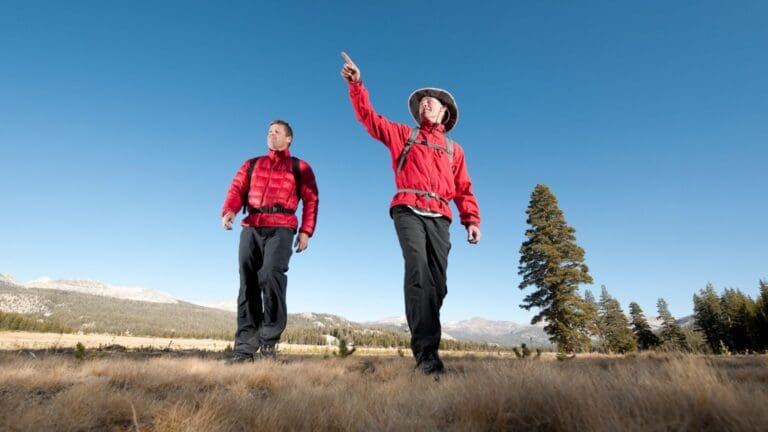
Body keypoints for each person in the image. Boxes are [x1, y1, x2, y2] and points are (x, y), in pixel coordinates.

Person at [340, 52, 481, 374]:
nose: (425, 104)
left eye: (431, 101)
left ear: (445, 111)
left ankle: (425, 336)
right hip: (407, 208)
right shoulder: (404, 135)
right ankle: (427, 355)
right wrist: (357, 85)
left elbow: (464, 188)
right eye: (422, 102)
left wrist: (471, 220)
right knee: (417, 272)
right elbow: (370, 119)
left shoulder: (454, 150)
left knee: (437, 285)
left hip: (441, 215)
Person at [221, 120, 319, 362]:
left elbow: (312, 199)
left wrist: (306, 231)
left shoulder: (299, 167)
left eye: (277, 132)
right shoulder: (252, 164)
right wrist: (230, 210)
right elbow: (237, 189)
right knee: (248, 284)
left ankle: (268, 343)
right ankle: (244, 349)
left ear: (288, 139)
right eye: (269, 131)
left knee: (271, 276)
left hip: (282, 228)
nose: (271, 135)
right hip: (252, 226)